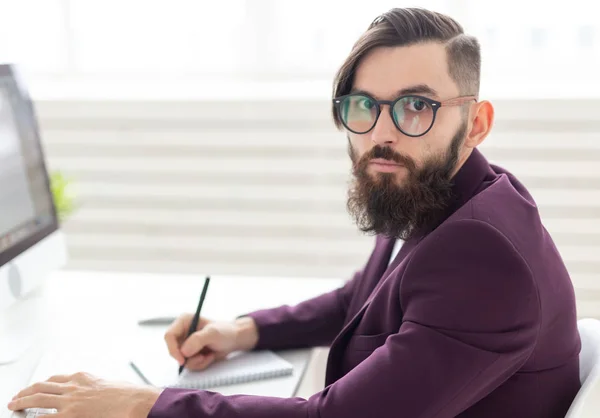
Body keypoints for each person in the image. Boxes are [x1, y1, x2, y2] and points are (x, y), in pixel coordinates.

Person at [8, 7, 581, 418]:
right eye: (363, 106)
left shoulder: (484, 256)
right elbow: (362, 298)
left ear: (475, 122)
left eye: (416, 106)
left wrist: (145, 405)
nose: (381, 133)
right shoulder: (438, 191)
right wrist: (243, 332)